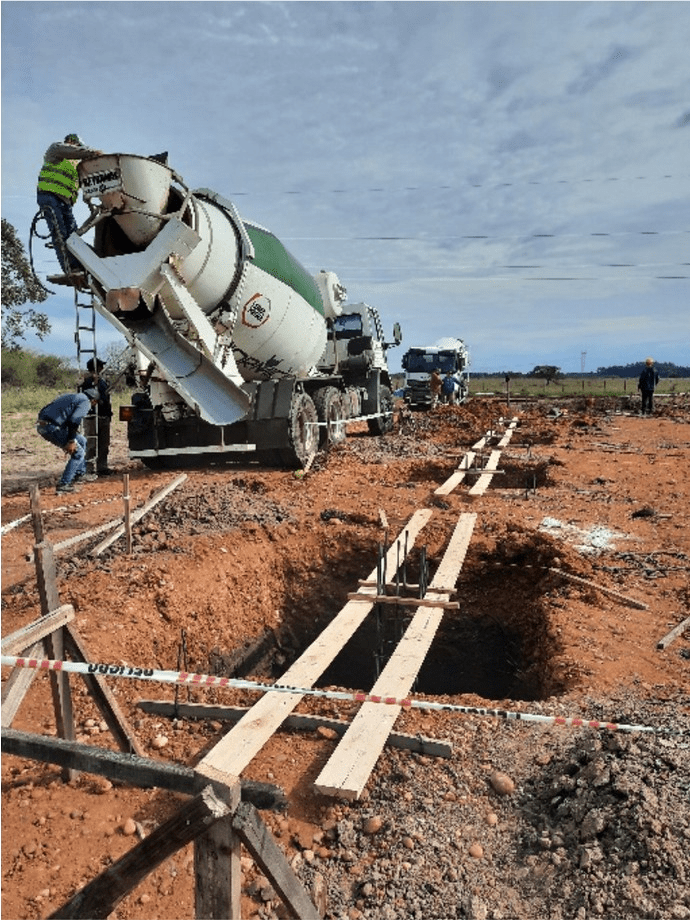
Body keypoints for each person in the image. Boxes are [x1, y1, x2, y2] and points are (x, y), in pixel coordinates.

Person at [36, 133, 102, 278]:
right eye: (77, 147)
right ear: (72, 143)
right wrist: (93, 153)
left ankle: (82, 265)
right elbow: (72, 151)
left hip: (65, 203)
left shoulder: (76, 167)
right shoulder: (56, 150)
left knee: (72, 237)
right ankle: (71, 269)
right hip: (49, 196)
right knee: (60, 234)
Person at [36, 390, 100, 493]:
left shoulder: (71, 396)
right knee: (78, 453)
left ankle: (79, 473)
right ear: (93, 401)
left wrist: (72, 436)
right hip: (52, 428)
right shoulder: (85, 401)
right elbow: (74, 420)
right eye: (95, 403)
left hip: (43, 425)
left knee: (82, 440)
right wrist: (71, 441)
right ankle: (64, 484)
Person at [80, 358, 114, 476]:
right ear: (97, 367)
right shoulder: (86, 382)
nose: (102, 368)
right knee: (91, 444)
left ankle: (102, 467)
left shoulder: (102, 381)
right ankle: (88, 468)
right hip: (91, 416)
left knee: (104, 444)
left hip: (103, 415)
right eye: (100, 366)